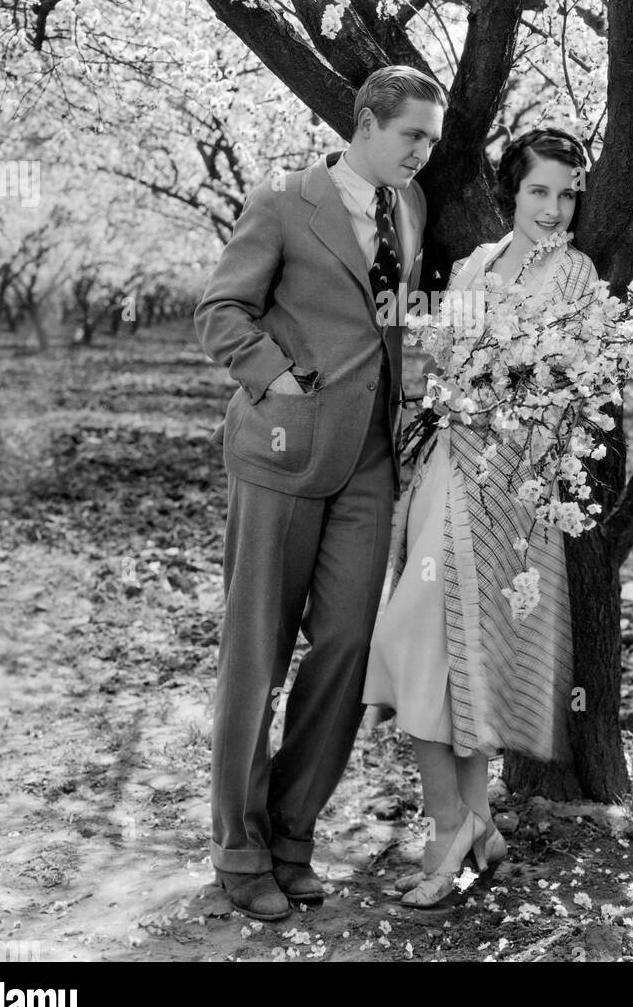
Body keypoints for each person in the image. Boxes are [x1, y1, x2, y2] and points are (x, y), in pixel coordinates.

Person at [195, 65, 446, 920]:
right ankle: (239, 848)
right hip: (281, 452)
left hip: (371, 463)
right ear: (367, 123)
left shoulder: (409, 211)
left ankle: (294, 834)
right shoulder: (282, 202)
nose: (423, 152)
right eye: (412, 134)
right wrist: (284, 380)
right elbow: (220, 312)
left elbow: (397, 323)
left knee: (343, 649)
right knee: (256, 655)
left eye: (432, 140)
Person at [362, 127, 598, 907]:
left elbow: (573, 394)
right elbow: (441, 362)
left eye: (568, 194)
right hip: (442, 472)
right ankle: (474, 823)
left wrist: (499, 404)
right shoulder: (472, 265)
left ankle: (448, 830)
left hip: (510, 486)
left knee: (432, 645)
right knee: (428, 646)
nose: (556, 209)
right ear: (511, 192)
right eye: (540, 191)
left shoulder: (575, 277)